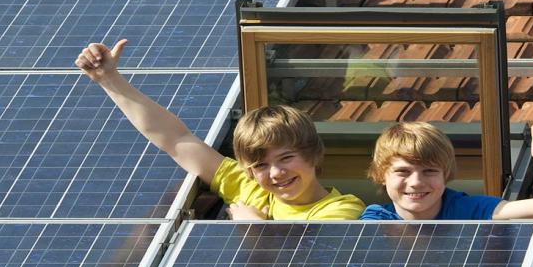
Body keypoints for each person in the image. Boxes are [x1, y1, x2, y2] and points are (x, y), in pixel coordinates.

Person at [74, 39, 365, 220]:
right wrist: (109, 79)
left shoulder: (342, 211)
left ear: (314, 154)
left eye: (286, 158)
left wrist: (256, 230)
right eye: (261, 164)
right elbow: (175, 139)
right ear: (248, 172)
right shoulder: (251, 191)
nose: (276, 173)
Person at [360, 121, 533, 220]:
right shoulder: (374, 222)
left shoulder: (469, 210)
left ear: (446, 174)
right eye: (403, 172)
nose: (415, 182)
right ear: (381, 175)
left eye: (430, 171)